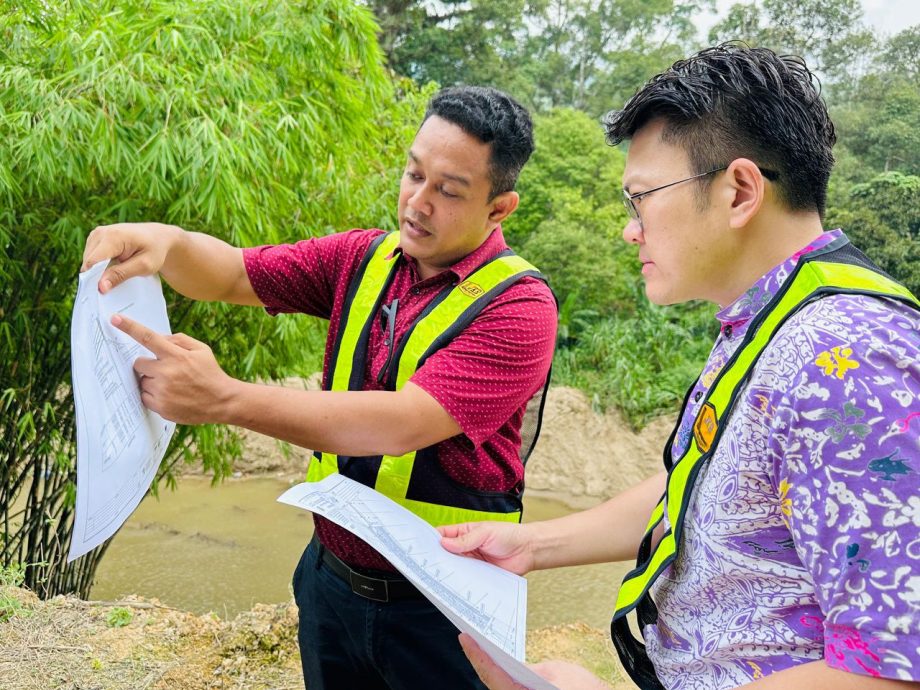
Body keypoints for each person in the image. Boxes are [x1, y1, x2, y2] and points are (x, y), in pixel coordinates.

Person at [438, 44, 920, 690]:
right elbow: (709, 489)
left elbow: (892, 668)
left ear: (740, 190)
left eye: (642, 198)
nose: (629, 230)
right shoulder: (772, 320)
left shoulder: (845, 358)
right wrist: (534, 546)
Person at [81, 86, 558, 690]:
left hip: (445, 610)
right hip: (331, 586)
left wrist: (225, 398)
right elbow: (232, 272)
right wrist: (168, 243)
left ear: (500, 208)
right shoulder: (362, 258)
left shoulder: (520, 307)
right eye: (413, 174)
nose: (417, 202)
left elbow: (405, 422)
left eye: (449, 190)